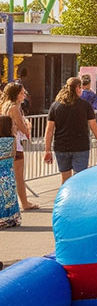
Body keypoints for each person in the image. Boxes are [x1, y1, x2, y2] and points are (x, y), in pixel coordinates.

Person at [43, 77, 97, 182]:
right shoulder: (85, 105)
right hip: (80, 146)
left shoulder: (55, 106)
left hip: (61, 146)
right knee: (80, 179)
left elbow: (49, 130)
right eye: (80, 87)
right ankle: (78, 198)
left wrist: (47, 150)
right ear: (77, 88)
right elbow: (93, 126)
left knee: (65, 179)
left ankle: (65, 197)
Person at [1, 82, 36, 211]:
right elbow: (23, 128)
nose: (24, 95)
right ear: (15, 94)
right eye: (21, 93)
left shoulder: (5, 105)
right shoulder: (14, 108)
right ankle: (24, 202)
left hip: (6, 143)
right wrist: (28, 125)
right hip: (15, 145)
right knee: (19, 176)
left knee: (8, 176)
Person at [0, 114, 21, 229]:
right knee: (10, 196)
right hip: (8, 171)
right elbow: (13, 156)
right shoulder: (12, 139)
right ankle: (11, 218)